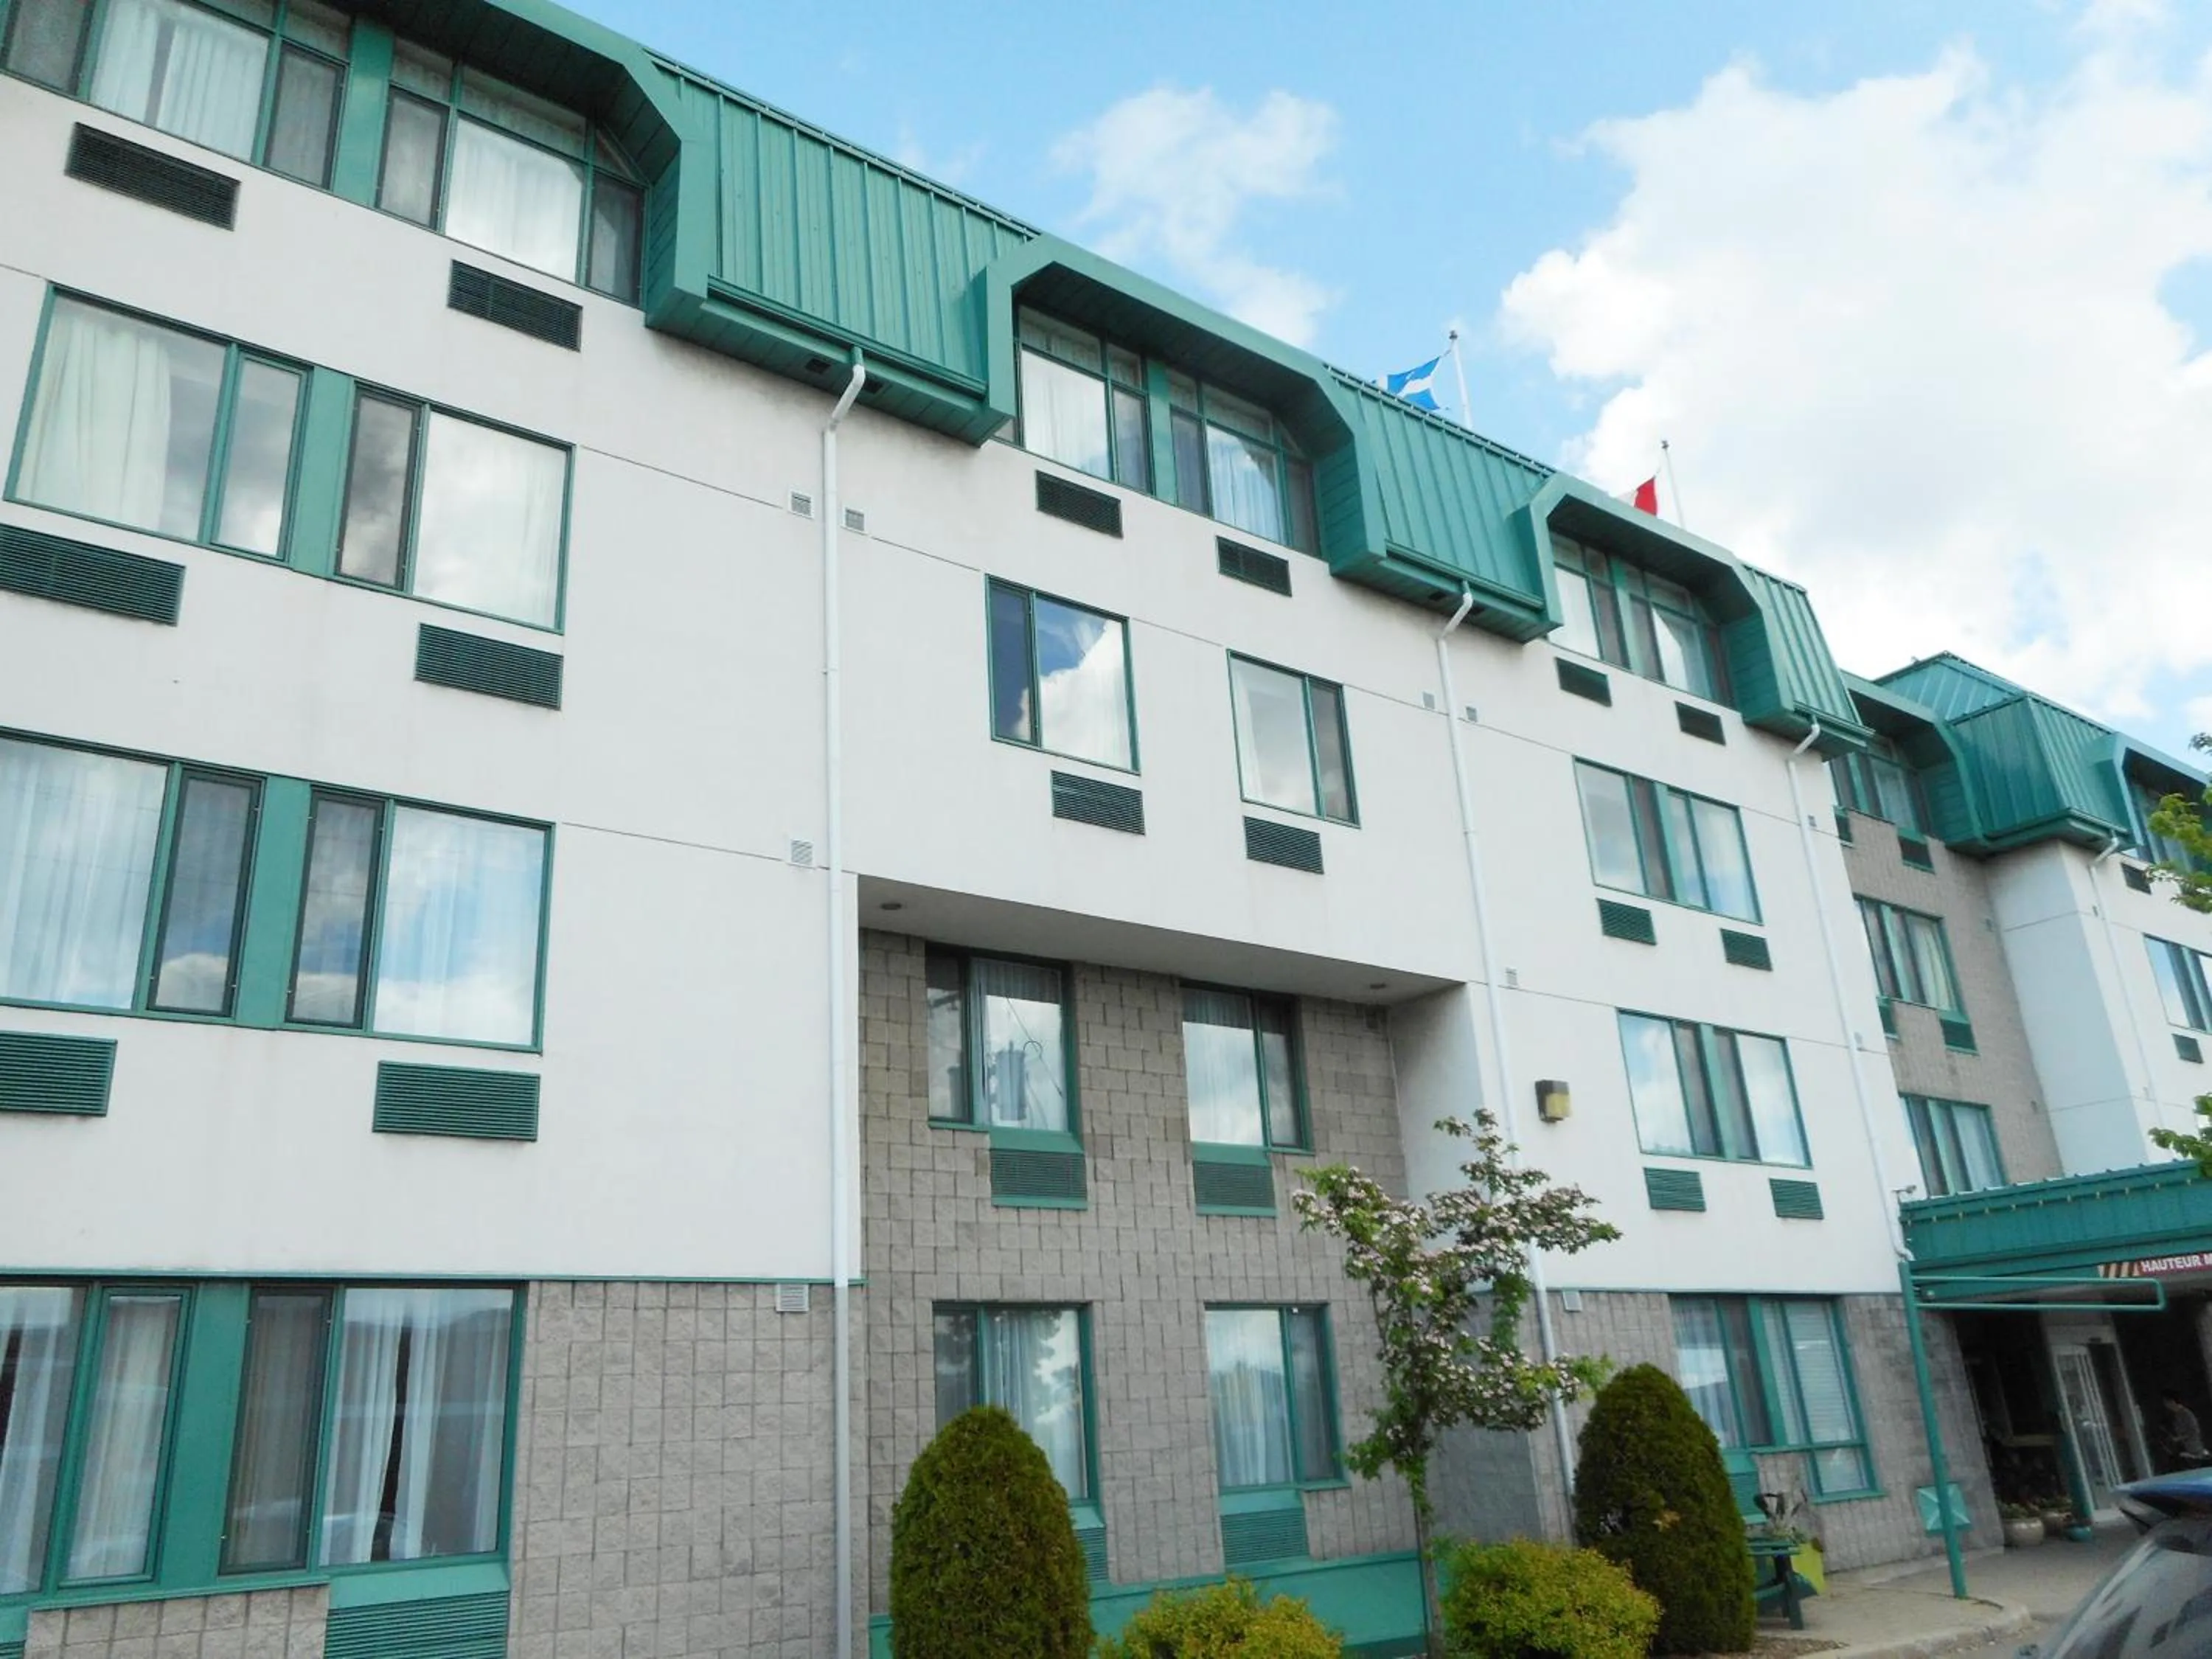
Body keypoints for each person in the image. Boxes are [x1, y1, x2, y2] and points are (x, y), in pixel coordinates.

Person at [2162, 1389, 2208, 1467]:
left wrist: (2179, 1438)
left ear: (2172, 1402)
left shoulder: (2186, 1414)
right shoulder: (2177, 1415)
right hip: (2186, 1448)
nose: (2166, 1405)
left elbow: (2194, 1431)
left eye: (2166, 1402)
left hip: (2194, 1450)